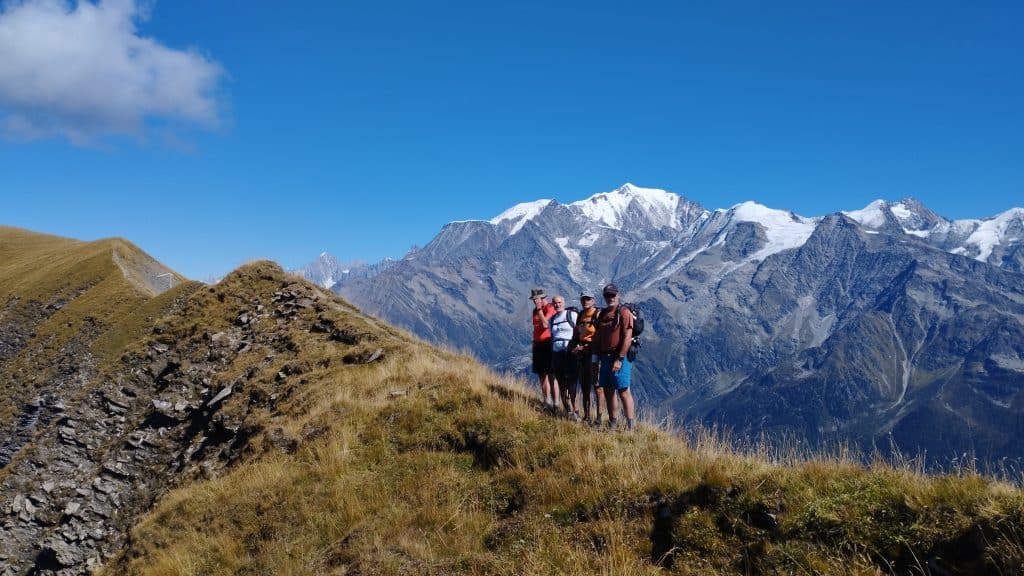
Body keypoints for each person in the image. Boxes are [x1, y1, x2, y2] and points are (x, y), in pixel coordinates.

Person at [594, 283, 636, 431]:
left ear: (618, 295)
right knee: (608, 390)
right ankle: (613, 422)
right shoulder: (602, 314)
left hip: (619, 357)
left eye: (613, 295)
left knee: (623, 391)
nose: (610, 298)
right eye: (607, 295)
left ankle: (630, 427)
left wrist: (620, 358)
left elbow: (627, 338)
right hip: (605, 357)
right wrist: (596, 358)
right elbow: (598, 337)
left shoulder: (624, 313)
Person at [572, 293, 605, 425]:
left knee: (597, 386)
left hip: (594, 353)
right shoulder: (580, 315)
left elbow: (601, 335)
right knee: (584, 386)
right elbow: (576, 334)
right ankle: (587, 416)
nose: (585, 301)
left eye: (588, 299)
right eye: (583, 299)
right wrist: (575, 346)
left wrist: (586, 346)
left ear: (593, 300)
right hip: (582, 354)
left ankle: (599, 418)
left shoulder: (597, 314)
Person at [549, 295, 579, 419]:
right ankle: (568, 411)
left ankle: (576, 411)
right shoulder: (552, 319)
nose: (557, 305)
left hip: (570, 354)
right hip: (557, 354)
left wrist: (578, 347)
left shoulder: (572, 315)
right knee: (561, 384)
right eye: (555, 303)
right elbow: (552, 336)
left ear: (564, 303)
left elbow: (580, 331)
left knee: (572, 384)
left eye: (559, 302)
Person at [530, 288, 559, 408]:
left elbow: (545, 324)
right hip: (538, 345)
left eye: (536, 299)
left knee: (551, 375)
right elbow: (536, 327)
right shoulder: (535, 310)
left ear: (542, 298)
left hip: (548, 344)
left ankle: (556, 403)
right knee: (542, 375)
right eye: (533, 300)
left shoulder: (549, 308)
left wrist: (539, 310)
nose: (535, 302)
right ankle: (547, 402)